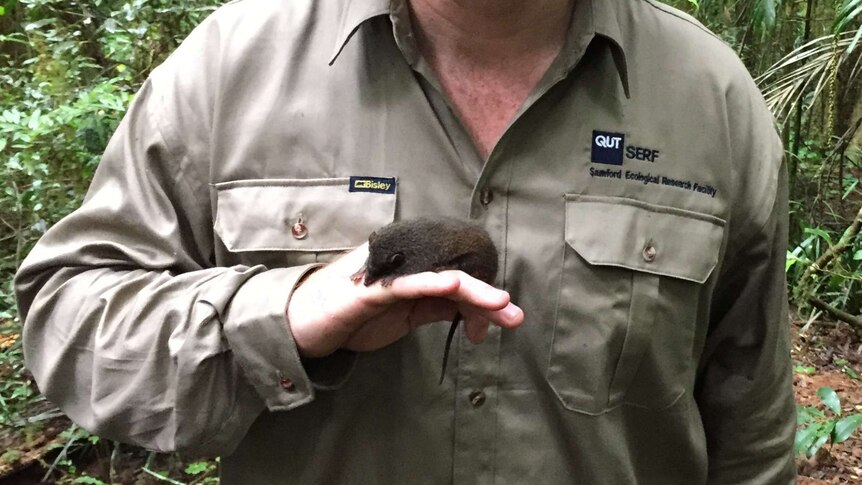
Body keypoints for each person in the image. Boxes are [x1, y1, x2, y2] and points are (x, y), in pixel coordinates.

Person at [15, 0, 797, 482]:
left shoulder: (712, 99)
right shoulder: (232, 66)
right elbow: (67, 319)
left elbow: (751, 424)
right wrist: (280, 316)